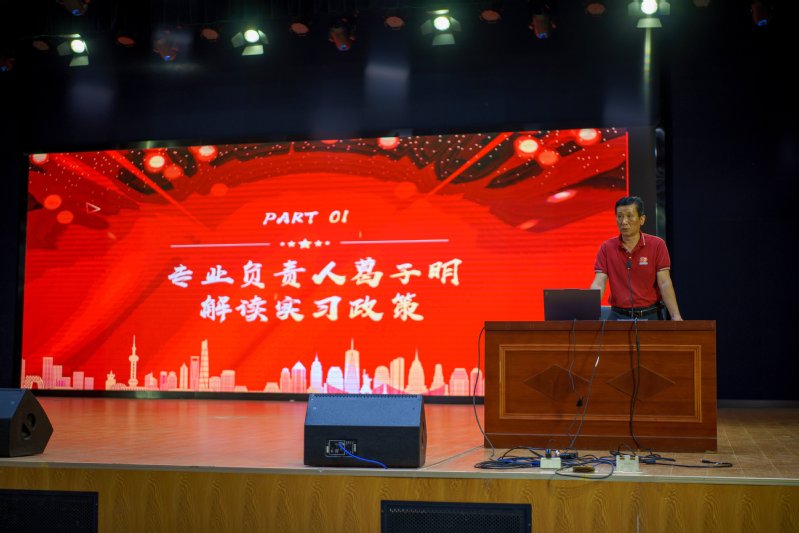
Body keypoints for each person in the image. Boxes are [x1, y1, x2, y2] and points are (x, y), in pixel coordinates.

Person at [590, 196, 682, 321]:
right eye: (620, 216)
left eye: (629, 216)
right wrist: (588, 313)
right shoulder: (607, 247)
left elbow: (664, 282)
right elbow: (599, 283)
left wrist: (675, 316)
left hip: (651, 315)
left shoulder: (657, 245)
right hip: (618, 316)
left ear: (641, 219)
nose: (624, 221)